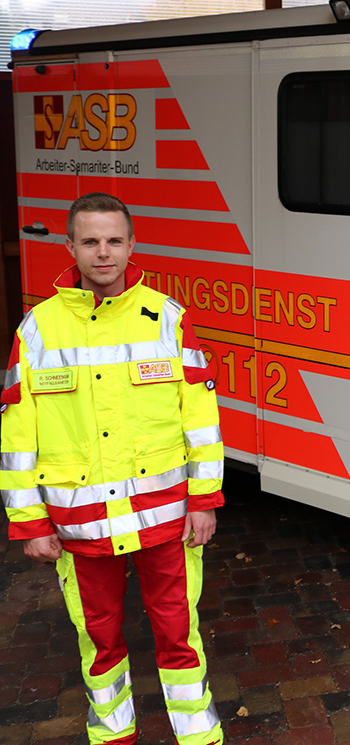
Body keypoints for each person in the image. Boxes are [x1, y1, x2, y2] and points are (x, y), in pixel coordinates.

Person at [1, 192, 224, 745]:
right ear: (71, 247)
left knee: (179, 633)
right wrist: (28, 522)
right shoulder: (37, 329)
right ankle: (113, 736)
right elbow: (17, 434)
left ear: (131, 245)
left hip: (164, 519)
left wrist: (204, 500)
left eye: (114, 240)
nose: (104, 252)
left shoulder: (168, 318)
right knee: (97, 639)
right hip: (82, 527)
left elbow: (200, 419)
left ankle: (197, 736)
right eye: (91, 241)